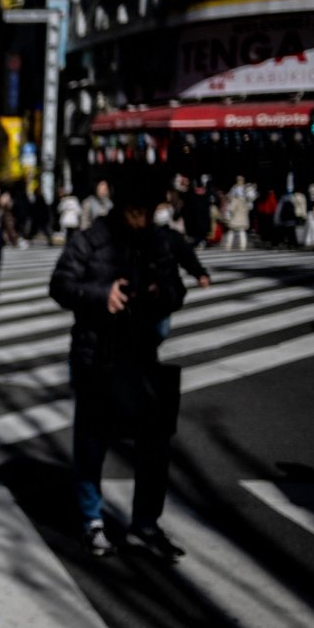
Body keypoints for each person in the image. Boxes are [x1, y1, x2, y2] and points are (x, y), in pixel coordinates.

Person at [50, 170, 207, 561]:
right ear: (122, 207)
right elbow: (60, 285)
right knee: (92, 440)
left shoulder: (157, 242)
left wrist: (161, 293)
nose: (141, 219)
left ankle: (145, 522)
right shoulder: (91, 240)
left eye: (147, 211)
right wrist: (102, 294)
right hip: (95, 353)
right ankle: (92, 520)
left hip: (142, 355)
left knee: (154, 444)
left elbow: (177, 290)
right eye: (136, 211)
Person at [223, 178, 251, 250]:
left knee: (231, 231)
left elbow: (231, 208)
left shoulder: (235, 191)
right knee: (242, 231)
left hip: (235, 216)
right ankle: (243, 246)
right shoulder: (246, 191)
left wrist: (228, 215)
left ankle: (228, 245)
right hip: (243, 216)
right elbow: (249, 205)